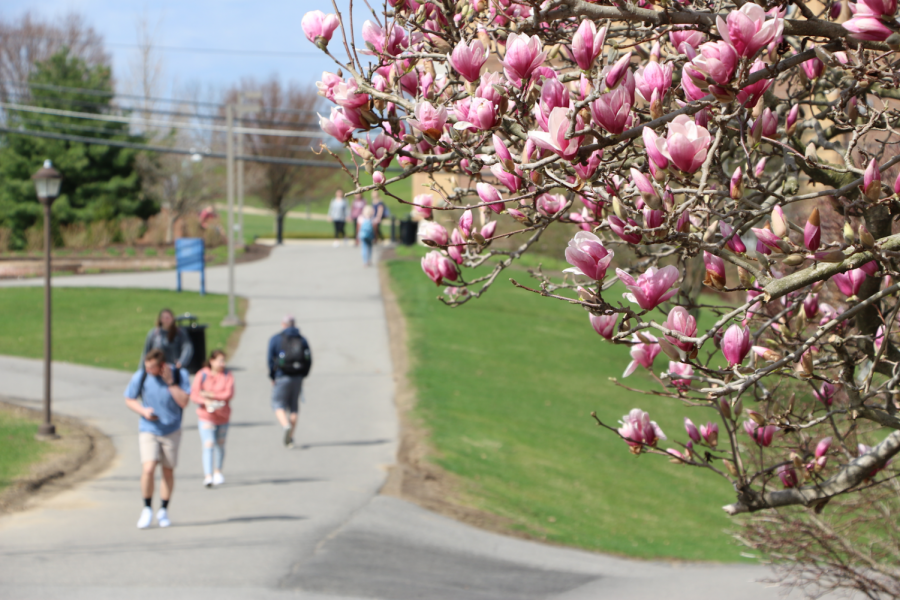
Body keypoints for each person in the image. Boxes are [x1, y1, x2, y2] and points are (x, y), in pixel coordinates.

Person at [125, 349, 191, 529]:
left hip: (171, 430)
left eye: (152, 367)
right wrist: (143, 411)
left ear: (162, 366)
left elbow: (184, 401)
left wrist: (170, 383)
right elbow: (129, 399)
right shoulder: (142, 376)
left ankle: (163, 509)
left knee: (168, 471)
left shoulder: (179, 374)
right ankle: (147, 508)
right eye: (146, 366)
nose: (147, 370)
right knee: (148, 468)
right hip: (149, 429)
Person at [190, 349, 234, 487]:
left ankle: (218, 472)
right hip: (206, 415)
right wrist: (205, 401)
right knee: (208, 444)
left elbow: (228, 394)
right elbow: (194, 394)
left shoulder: (227, 375)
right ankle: (208, 475)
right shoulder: (202, 374)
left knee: (220, 444)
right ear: (212, 361)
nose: (222, 363)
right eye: (220, 360)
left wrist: (210, 394)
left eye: (224, 360)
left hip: (222, 416)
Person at [267, 316, 312, 448]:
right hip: (297, 376)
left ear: (283, 324)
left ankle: (286, 425)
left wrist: (272, 376)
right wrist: (303, 374)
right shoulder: (302, 340)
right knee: (294, 407)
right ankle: (291, 437)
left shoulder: (276, 339)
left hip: (282, 376)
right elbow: (308, 359)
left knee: (278, 404)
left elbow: (270, 359)